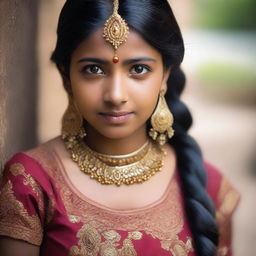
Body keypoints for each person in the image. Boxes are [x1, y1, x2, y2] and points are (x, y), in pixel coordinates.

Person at [0, 0, 240, 255]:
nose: (115, 95)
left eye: (139, 69)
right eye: (94, 69)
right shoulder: (30, 181)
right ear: (67, 76)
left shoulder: (208, 186)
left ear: (165, 76)